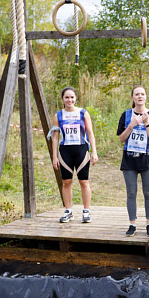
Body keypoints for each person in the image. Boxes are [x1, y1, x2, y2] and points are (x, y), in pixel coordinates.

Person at [117, 85, 149, 237]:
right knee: (131, 192)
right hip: (129, 159)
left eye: (142, 94)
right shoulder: (126, 114)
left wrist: (147, 123)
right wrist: (131, 125)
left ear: (146, 96)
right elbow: (121, 138)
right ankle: (132, 224)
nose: (140, 96)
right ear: (132, 97)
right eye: (137, 94)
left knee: (148, 192)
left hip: (147, 159)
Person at [51, 87, 99, 223]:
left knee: (84, 181)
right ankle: (68, 211)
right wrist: (54, 157)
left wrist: (94, 151)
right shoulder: (58, 115)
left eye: (72, 97)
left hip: (81, 150)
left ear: (76, 98)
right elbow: (55, 137)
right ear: (63, 99)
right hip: (65, 150)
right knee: (66, 182)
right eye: (67, 97)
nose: (69, 100)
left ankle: (86, 211)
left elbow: (90, 133)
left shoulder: (83, 113)